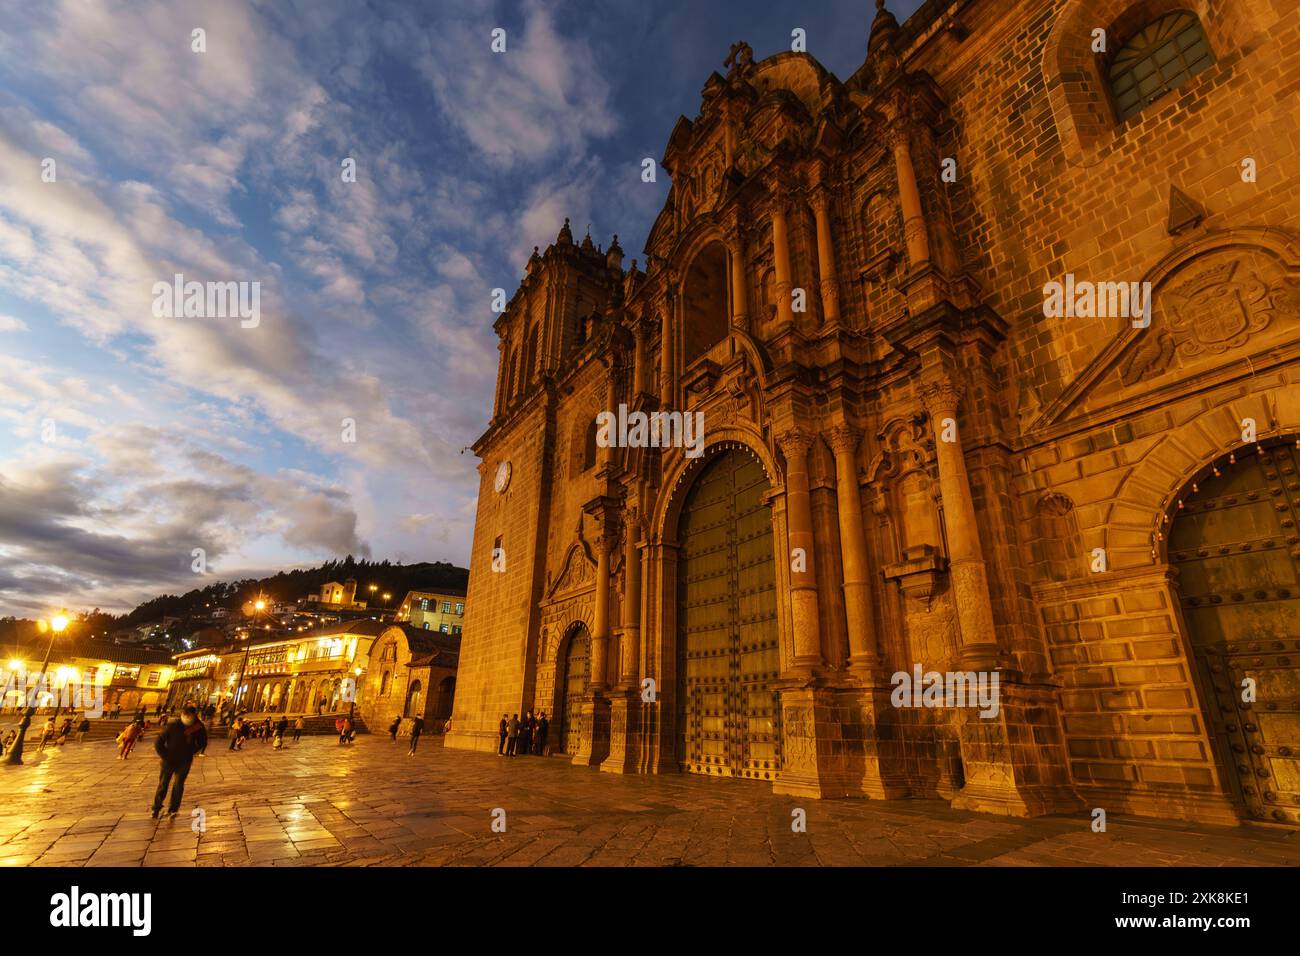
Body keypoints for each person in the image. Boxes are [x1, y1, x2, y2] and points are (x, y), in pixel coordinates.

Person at [151, 704, 207, 819]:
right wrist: (165, 755)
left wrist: (191, 751)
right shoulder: (173, 725)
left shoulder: (198, 727)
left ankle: (173, 809)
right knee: (163, 784)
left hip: (184, 761)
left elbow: (202, 742)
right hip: (169, 760)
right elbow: (159, 742)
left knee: (178, 785)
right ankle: (156, 807)